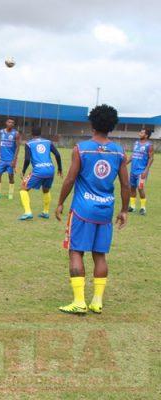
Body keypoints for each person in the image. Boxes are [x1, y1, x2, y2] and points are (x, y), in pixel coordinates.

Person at [55, 104, 129, 314]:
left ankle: (79, 301)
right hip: (105, 211)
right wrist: (124, 210)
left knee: (76, 251)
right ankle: (97, 301)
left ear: (92, 124)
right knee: (100, 255)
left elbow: (70, 179)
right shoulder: (119, 152)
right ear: (112, 126)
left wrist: (60, 202)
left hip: (82, 210)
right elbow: (125, 185)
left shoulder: (81, 148)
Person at [18, 127, 63, 220]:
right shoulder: (48, 142)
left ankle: (28, 212)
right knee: (46, 190)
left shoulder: (29, 144)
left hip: (39, 170)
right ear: (40, 133)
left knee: (23, 188)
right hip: (50, 170)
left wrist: (23, 170)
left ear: (31, 133)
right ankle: (45, 212)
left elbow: (27, 159)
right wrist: (60, 168)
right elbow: (57, 154)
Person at [126, 128, 154, 215]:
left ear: (146, 135)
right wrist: (125, 163)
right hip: (133, 171)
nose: (139, 133)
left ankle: (143, 208)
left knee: (140, 188)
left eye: (142, 133)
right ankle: (132, 207)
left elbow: (151, 158)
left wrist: (146, 170)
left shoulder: (149, 145)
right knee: (132, 188)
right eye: (140, 132)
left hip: (141, 171)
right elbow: (133, 155)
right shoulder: (136, 143)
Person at [0, 118, 20, 199]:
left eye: (12, 123)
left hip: (10, 160)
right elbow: (0, 144)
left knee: (11, 177)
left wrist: (14, 160)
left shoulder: (16, 133)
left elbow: (18, 147)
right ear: (6, 123)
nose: (11, 123)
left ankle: (10, 195)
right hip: (2, 160)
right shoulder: (1, 132)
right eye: (9, 122)